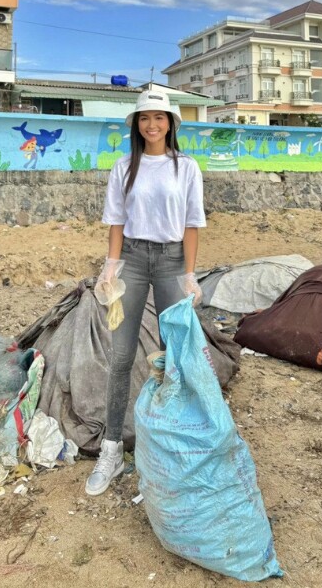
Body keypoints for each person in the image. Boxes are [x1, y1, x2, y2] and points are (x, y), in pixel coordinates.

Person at [85, 90, 205, 496]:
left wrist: (190, 275)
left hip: (173, 261)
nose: (151, 125)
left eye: (159, 117)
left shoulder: (186, 167)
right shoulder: (124, 167)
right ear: (136, 125)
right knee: (120, 355)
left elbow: (191, 223)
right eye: (144, 118)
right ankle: (113, 448)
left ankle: (174, 446)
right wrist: (110, 266)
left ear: (171, 123)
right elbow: (116, 222)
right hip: (132, 261)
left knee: (177, 354)